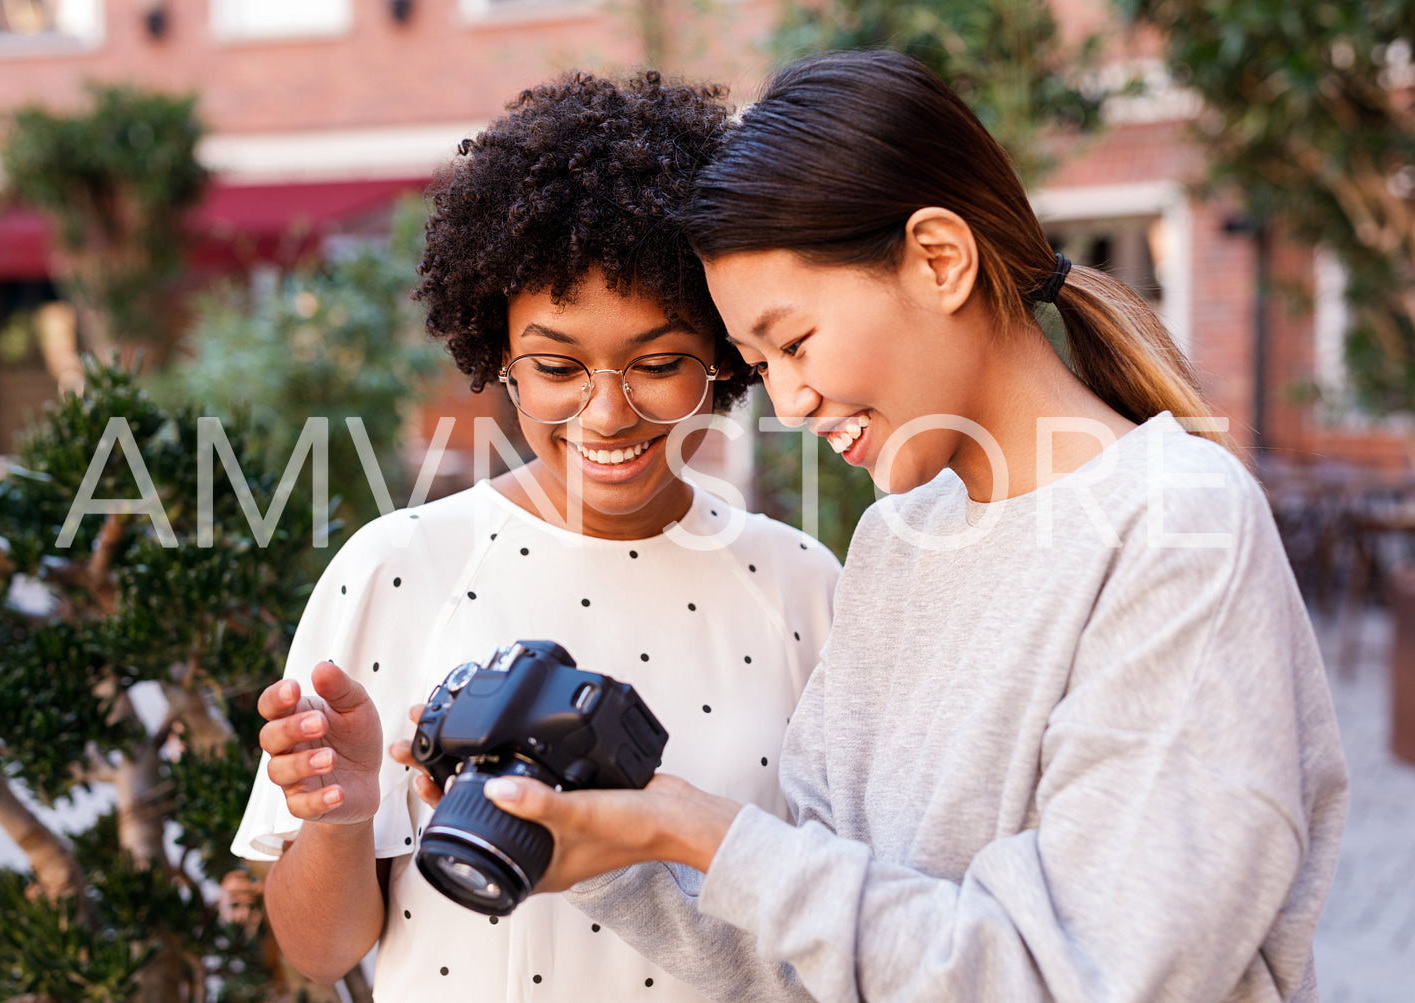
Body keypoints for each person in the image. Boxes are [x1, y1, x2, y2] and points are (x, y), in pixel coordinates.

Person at [432, 50, 1351, 1003]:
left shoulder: (1173, 525)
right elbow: (811, 956)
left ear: (939, 260)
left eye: (793, 341)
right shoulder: (899, 539)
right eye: (755, 359)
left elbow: (1094, 974)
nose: (788, 398)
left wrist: (700, 829)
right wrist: (609, 845)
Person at [230, 71, 840, 1001]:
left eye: (659, 362)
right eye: (556, 364)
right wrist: (341, 818)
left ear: (723, 357)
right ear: (497, 354)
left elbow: (842, 925)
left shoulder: (803, 585)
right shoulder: (398, 567)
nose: (605, 412)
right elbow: (319, 950)